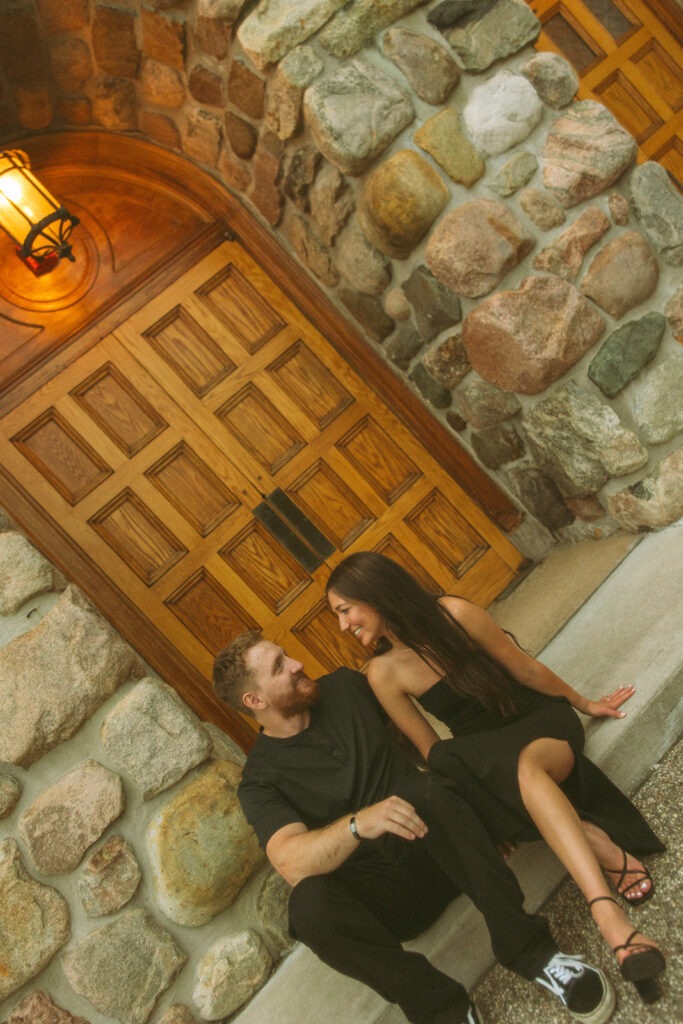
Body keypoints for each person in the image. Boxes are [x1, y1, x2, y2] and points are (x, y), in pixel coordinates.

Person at [213, 630, 618, 1024]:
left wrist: (470, 812)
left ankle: (533, 952)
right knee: (307, 907)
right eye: (280, 666)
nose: (298, 664)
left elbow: (415, 740)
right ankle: (442, 1011)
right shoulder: (260, 780)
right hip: (393, 900)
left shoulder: (344, 687)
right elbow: (291, 861)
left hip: (439, 845)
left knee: (426, 788)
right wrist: (358, 824)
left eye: (288, 655)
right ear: (255, 700)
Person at [325, 551, 666, 1007]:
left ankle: (603, 905)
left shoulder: (456, 615)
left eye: (345, 610)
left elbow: (524, 669)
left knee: (521, 768)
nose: (344, 625)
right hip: (482, 756)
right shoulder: (382, 674)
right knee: (447, 761)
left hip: (536, 725)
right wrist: (474, 812)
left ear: (374, 592)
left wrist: (584, 704)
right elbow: (430, 749)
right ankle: (611, 908)